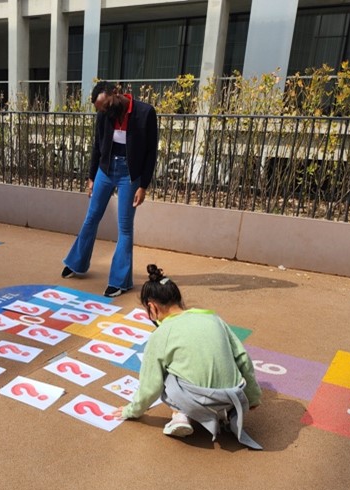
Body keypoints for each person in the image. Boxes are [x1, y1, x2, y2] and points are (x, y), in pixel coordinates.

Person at [110, 264, 263, 449]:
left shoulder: (162, 333)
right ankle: (227, 414)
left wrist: (131, 411)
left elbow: (151, 385)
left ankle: (180, 415)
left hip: (198, 402)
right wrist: (253, 397)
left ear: (152, 307)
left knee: (166, 373)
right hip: (234, 397)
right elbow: (242, 358)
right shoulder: (213, 318)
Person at [62, 81, 158, 298]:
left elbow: (151, 152)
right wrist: (91, 178)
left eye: (105, 105)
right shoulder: (104, 115)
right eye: (100, 108)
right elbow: (97, 146)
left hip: (129, 174)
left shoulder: (145, 113)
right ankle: (76, 263)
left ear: (116, 92)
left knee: (124, 227)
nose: (104, 111)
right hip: (105, 170)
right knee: (91, 217)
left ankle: (120, 281)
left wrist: (143, 185)